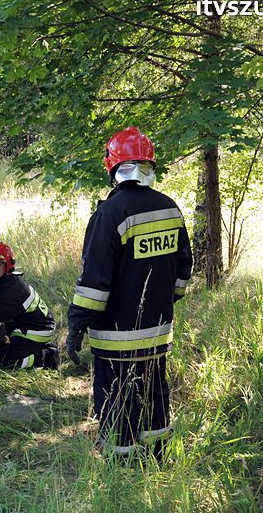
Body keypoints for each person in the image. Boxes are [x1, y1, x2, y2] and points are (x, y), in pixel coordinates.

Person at [66, 126, 192, 462]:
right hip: (158, 333)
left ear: (112, 166)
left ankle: (121, 467)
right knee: (154, 395)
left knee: (117, 400)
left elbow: (94, 284)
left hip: (116, 338)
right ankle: (157, 458)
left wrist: (76, 327)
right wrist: (159, 303)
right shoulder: (170, 209)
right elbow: (182, 274)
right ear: (151, 166)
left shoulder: (109, 214)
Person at [0, 242, 58, 370]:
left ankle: (47, 356)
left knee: (6, 362)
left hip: (38, 330)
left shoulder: (12, 287)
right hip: (23, 325)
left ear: (7, 266)